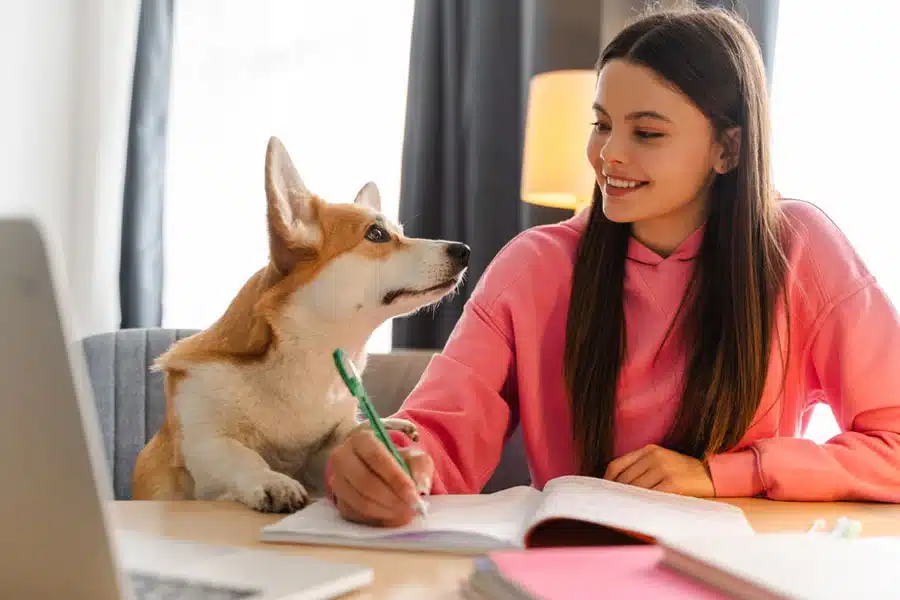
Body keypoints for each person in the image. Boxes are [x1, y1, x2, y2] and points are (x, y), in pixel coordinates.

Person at [326, 3, 900, 527]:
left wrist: (722, 474)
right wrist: (383, 464)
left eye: (646, 132)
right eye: (601, 124)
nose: (609, 154)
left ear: (728, 148)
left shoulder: (800, 250)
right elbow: (439, 436)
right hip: (573, 570)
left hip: (738, 574)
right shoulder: (536, 265)